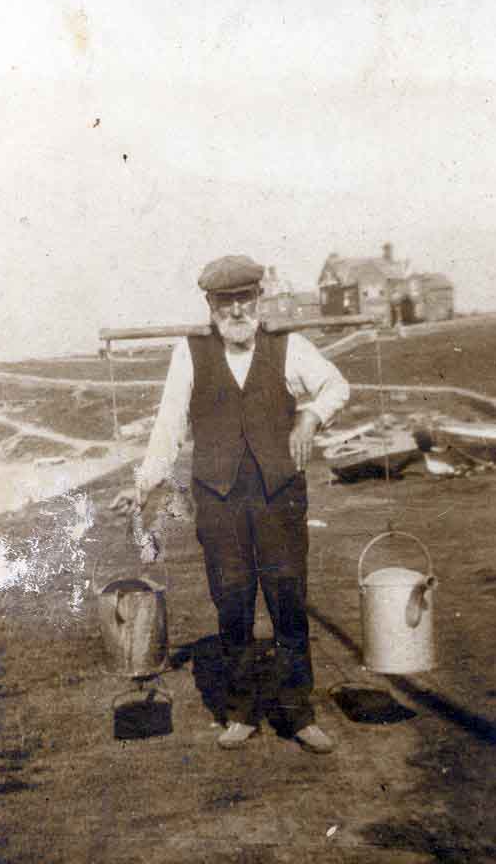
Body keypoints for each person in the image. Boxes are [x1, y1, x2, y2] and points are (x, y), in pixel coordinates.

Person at [112, 255, 350, 752]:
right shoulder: (191, 352)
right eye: (226, 301)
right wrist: (143, 483)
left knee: (288, 602)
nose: (237, 309)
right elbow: (169, 425)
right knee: (233, 604)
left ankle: (297, 712)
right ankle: (241, 712)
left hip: (279, 497)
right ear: (211, 305)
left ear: (259, 299)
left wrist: (309, 418)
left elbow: (336, 386)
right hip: (219, 502)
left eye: (245, 298)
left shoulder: (289, 345)